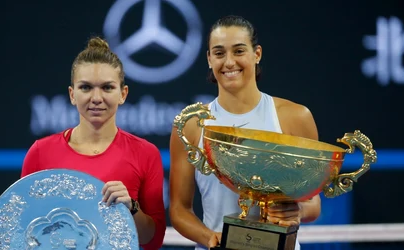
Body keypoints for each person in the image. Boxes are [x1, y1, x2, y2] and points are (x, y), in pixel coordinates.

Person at [169, 15, 321, 250]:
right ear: (209, 59)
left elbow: (313, 204)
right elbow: (179, 210)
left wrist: (297, 209)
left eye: (239, 51)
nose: (229, 62)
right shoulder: (191, 125)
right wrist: (210, 238)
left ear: (256, 54)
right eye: (219, 53)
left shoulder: (295, 117)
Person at [21, 36, 166, 250]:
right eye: (86, 87)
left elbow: (153, 241)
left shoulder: (146, 153)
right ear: (72, 94)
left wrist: (132, 208)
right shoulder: (40, 152)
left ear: (122, 94)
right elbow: (21, 232)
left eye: (107, 88)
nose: (96, 98)